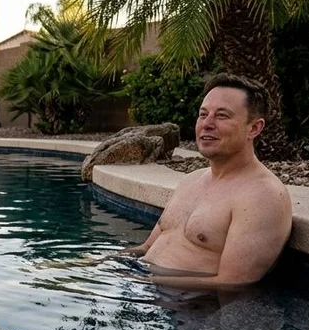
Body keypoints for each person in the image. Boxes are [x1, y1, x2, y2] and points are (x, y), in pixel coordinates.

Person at [123, 73, 293, 290]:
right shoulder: (191, 181)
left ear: (254, 128)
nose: (207, 124)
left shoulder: (262, 196)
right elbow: (147, 247)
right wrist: (97, 264)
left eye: (222, 116)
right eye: (203, 114)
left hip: (189, 304)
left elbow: (233, 282)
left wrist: (140, 282)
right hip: (146, 288)